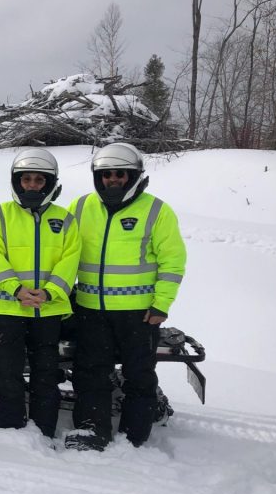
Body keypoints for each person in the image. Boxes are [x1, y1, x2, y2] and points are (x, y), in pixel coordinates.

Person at [66, 142, 186, 451]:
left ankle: (136, 434)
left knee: (139, 375)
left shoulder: (156, 210)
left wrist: (162, 304)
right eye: (107, 174)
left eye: (120, 174)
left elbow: (172, 262)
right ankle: (92, 429)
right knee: (90, 373)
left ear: (134, 176)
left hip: (139, 313)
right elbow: (61, 251)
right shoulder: (80, 208)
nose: (113, 180)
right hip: (91, 309)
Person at [0, 149, 80, 438]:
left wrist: (49, 293)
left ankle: (44, 429)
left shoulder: (65, 220)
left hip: (47, 309)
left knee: (45, 373)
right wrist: (16, 289)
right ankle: (11, 428)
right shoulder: (0, 215)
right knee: (7, 372)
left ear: (49, 184)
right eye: (27, 180)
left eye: (39, 180)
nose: (32, 185)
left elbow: (70, 260)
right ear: (17, 182)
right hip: (8, 308)